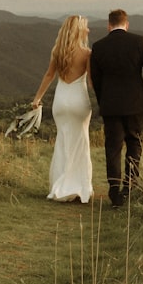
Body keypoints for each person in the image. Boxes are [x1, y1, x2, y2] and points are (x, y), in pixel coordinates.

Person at [89, 9, 143, 207]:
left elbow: (96, 80)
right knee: (134, 143)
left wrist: (103, 100)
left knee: (112, 147)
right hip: (136, 103)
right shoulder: (139, 42)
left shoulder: (98, 46)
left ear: (109, 25)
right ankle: (129, 187)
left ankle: (114, 193)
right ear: (126, 24)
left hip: (111, 104)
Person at [31, 15, 94, 203]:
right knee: (80, 142)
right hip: (78, 101)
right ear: (79, 30)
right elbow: (91, 82)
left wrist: (37, 98)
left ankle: (60, 185)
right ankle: (79, 187)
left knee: (63, 141)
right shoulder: (87, 53)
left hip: (60, 101)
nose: (88, 30)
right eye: (86, 27)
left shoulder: (57, 51)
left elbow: (49, 75)